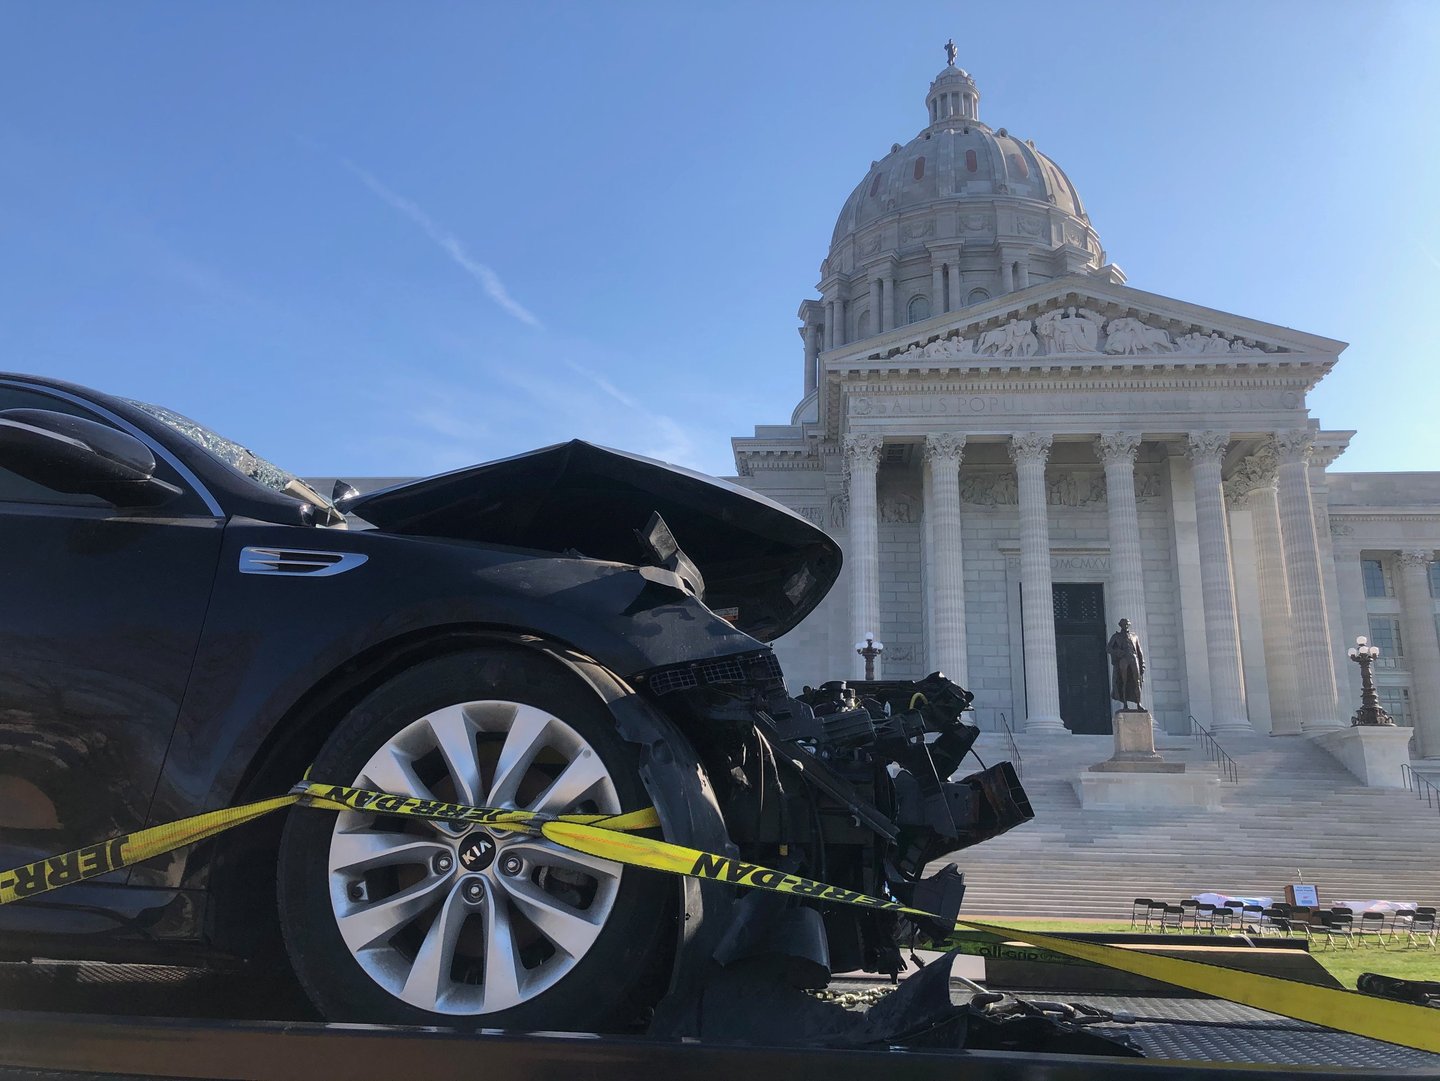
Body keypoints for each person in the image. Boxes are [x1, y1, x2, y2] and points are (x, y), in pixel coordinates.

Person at [1107, 618, 1145, 710]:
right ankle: (1125, 703)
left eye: (1127, 624)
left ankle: (1138, 703)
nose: (1126, 626)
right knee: (1124, 681)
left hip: (1133, 658)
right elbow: (1108, 648)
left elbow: (1139, 651)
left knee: (1137, 681)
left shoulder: (1134, 636)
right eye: (1124, 624)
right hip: (1123, 659)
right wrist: (1118, 652)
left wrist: (1142, 664)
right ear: (1121, 625)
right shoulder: (1116, 636)